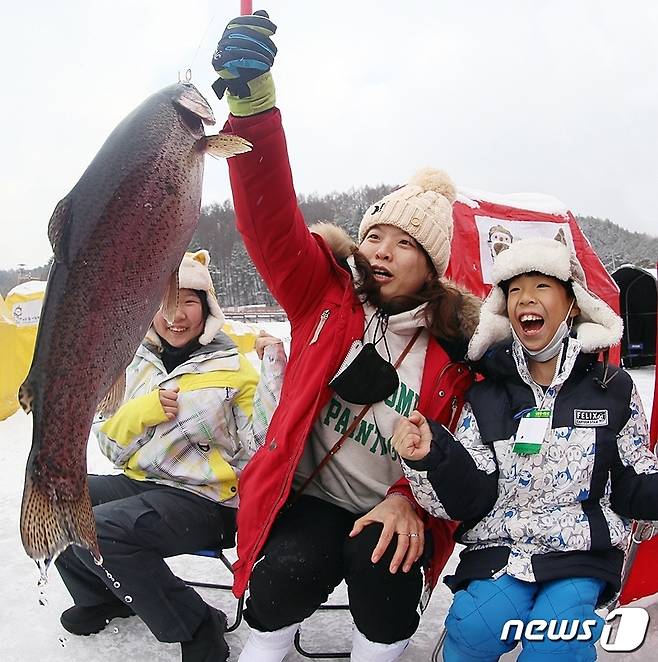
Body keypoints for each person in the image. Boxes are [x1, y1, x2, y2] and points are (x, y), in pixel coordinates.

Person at [210, 11, 482, 662]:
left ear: (433, 266)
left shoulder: (455, 353)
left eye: (405, 243)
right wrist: (252, 106)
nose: (382, 250)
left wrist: (407, 500)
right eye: (376, 234)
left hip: (391, 503)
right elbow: (270, 218)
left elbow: (465, 461)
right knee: (281, 579)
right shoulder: (323, 297)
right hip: (313, 495)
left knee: (388, 565)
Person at [392, 236, 658, 661]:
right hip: (502, 548)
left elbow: (632, 480)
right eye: (514, 290)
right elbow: (470, 495)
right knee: (473, 628)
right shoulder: (487, 394)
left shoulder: (612, 389)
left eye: (541, 287)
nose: (525, 299)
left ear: (572, 304)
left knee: (556, 642)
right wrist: (431, 455)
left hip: (580, 550)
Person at [54, 250, 259, 662]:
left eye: (187, 301)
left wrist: (275, 377)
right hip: (143, 482)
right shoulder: (133, 365)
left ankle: (198, 623)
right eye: (164, 302)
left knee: (102, 529)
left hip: (208, 499)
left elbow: (261, 449)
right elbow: (111, 448)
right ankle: (103, 595)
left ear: (207, 309)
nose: (175, 315)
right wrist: (139, 412)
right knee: (56, 498)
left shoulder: (239, 369)